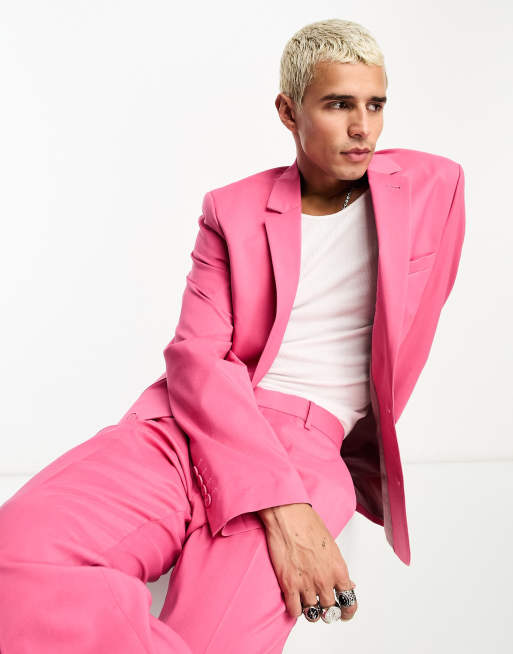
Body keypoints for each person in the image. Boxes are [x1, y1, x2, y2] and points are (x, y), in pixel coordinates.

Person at [0, 18, 465, 653]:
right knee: (14, 555)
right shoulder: (234, 207)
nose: (363, 127)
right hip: (183, 427)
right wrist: (283, 504)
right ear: (288, 111)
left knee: (214, 640)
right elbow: (197, 356)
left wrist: (294, 488)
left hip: (307, 442)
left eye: (375, 105)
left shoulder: (433, 188)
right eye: (337, 105)